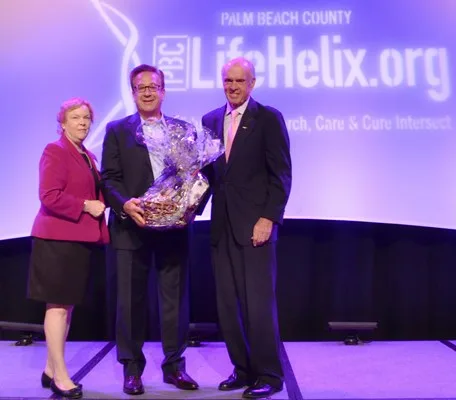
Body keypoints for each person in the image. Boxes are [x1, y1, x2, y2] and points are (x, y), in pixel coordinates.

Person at [101, 64, 199, 395]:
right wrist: (125, 204)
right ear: (132, 93)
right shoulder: (117, 130)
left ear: (163, 91)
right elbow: (108, 178)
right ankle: (132, 369)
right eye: (140, 87)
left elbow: (194, 178)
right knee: (130, 302)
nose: (147, 92)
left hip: (173, 229)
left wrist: (187, 207)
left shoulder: (184, 130)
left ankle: (175, 367)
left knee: (175, 301)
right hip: (131, 228)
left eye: (153, 86)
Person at [201, 57, 292, 399]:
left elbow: (281, 174)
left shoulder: (268, 118)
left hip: (256, 226)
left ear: (252, 83)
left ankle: (269, 374)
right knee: (228, 305)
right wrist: (182, 205)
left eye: (240, 81)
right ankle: (242, 369)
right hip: (221, 226)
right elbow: (208, 175)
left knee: (258, 305)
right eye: (228, 80)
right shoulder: (210, 120)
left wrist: (269, 218)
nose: (233, 86)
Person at [28, 97, 109, 399]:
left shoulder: (87, 155)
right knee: (58, 307)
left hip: (77, 240)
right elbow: (48, 195)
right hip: (56, 240)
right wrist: (86, 205)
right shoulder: (56, 150)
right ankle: (61, 377)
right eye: (76, 117)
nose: (83, 123)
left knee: (66, 307)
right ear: (62, 123)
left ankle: (51, 369)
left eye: (87, 117)